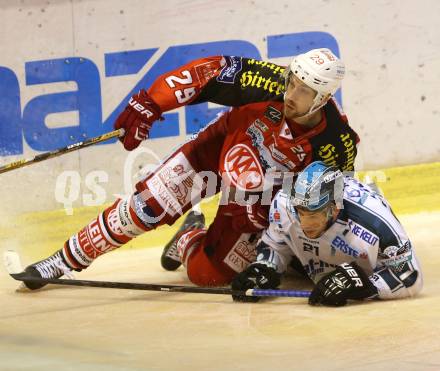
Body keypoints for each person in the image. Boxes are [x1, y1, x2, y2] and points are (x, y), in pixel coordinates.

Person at [16, 48, 360, 289]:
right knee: (145, 208)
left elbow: (332, 200)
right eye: (292, 81)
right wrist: (153, 102)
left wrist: (282, 229)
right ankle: (61, 262)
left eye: (305, 90)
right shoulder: (267, 82)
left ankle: (187, 237)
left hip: (256, 202)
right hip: (215, 152)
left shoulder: (336, 142)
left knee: (208, 275)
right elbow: (209, 72)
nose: (290, 93)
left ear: (324, 97)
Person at [231, 161, 423, 306]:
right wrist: (264, 268)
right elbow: (275, 245)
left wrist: (364, 284)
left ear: (335, 208)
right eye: (301, 212)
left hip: (368, 267)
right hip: (312, 264)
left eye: (314, 214)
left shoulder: (376, 222)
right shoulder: (284, 204)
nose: (305, 224)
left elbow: (411, 278)